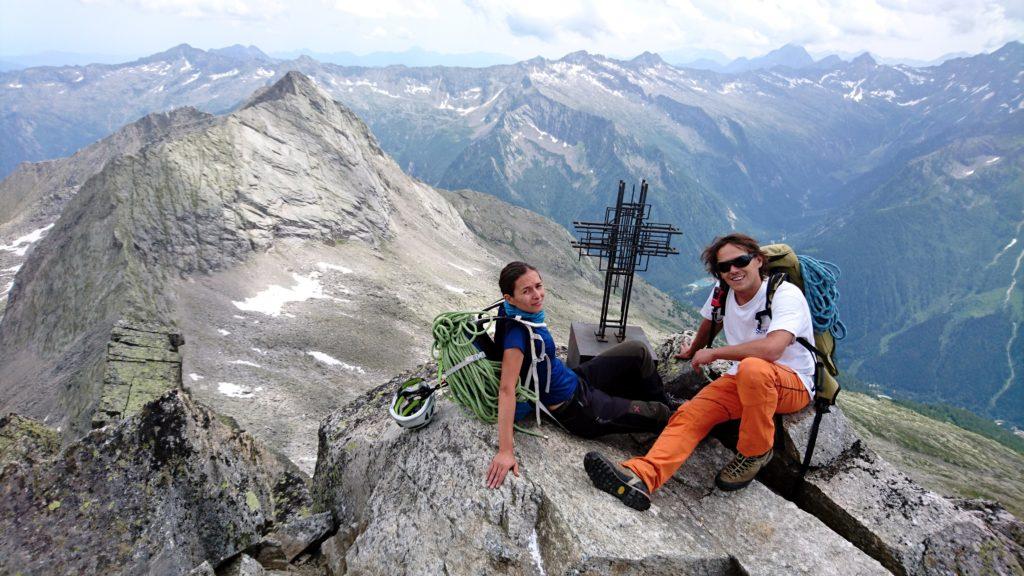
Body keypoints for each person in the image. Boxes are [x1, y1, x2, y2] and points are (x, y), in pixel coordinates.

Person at [584, 233, 815, 510]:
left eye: (740, 261)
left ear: (758, 260)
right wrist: (694, 349)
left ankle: (755, 452)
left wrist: (715, 353)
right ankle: (641, 478)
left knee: (754, 368)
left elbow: (773, 349)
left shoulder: (785, 294)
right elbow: (712, 320)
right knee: (690, 414)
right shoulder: (723, 292)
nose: (733, 270)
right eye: (723, 267)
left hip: (792, 381)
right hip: (743, 378)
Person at [486, 261, 674, 489]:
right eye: (526, 291)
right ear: (510, 298)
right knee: (661, 414)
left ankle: (658, 405)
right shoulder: (517, 337)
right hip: (580, 408)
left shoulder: (510, 311)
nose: (537, 295)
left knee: (638, 350)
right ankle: (670, 420)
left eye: (538, 285)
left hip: (574, 378)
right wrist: (505, 450)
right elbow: (506, 389)